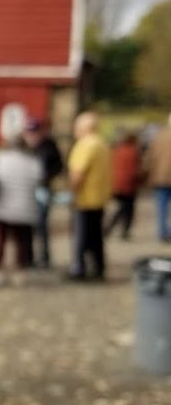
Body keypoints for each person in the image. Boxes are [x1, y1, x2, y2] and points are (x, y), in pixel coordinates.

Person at [0, 136, 42, 287]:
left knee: (0, 240)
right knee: (22, 242)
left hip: (3, 206)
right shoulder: (33, 161)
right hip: (25, 208)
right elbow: (38, 179)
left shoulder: (1, 158)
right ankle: (21, 272)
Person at [67, 112, 111, 281]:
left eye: (77, 126)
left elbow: (78, 173)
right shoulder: (102, 144)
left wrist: (72, 192)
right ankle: (99, 268)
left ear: (84, 128)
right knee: (96, 237)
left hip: (85, 199)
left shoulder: (85, 145)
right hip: (99, 198)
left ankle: (79, 268)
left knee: (81, 237)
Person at [23, 118, 63, 268]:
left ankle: (45, 258)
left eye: (34, 132)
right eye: (29, 132)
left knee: (42, 224)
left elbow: (59, 166)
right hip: (26, 191)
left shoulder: (49, 146)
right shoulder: (24, 148)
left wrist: (47, 177)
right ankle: (28, 258)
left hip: (43, 189)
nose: (32, 135)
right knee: (27, 225)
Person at [105, 130, 142, 240]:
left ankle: (110, 227)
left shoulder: (116, 150)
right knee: (128, 209)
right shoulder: (133, 151)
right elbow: (136, 169)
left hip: (116, 183)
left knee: (120, 208)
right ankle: (124, 230)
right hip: (129, 185)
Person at [147, 114, 171, 242]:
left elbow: (151, 158)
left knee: (161, 207)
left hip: (160, 177)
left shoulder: (159, 136)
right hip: (163, 177)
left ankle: (162, 232)